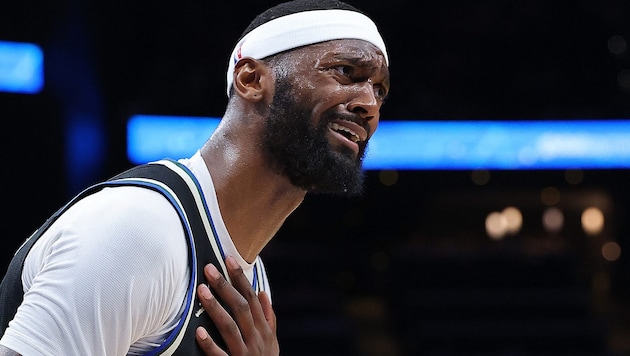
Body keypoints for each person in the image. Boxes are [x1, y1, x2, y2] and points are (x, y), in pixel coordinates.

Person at [0, 0, 390, 354]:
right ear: (251, 80)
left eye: (379, 90)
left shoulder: (248, 280)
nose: (369, 104)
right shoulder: (141, 229)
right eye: (346, 72)